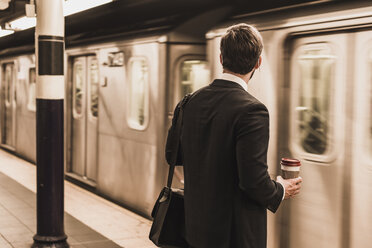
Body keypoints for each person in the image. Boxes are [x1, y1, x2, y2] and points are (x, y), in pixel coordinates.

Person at [166, 23, 302, 248]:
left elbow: (173, 156)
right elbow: (253, 182)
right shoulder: (253, 110)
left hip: (194, 228)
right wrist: (280, 190)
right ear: (258, 63)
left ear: (221, 58)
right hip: (233, 236)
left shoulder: (189, 102)